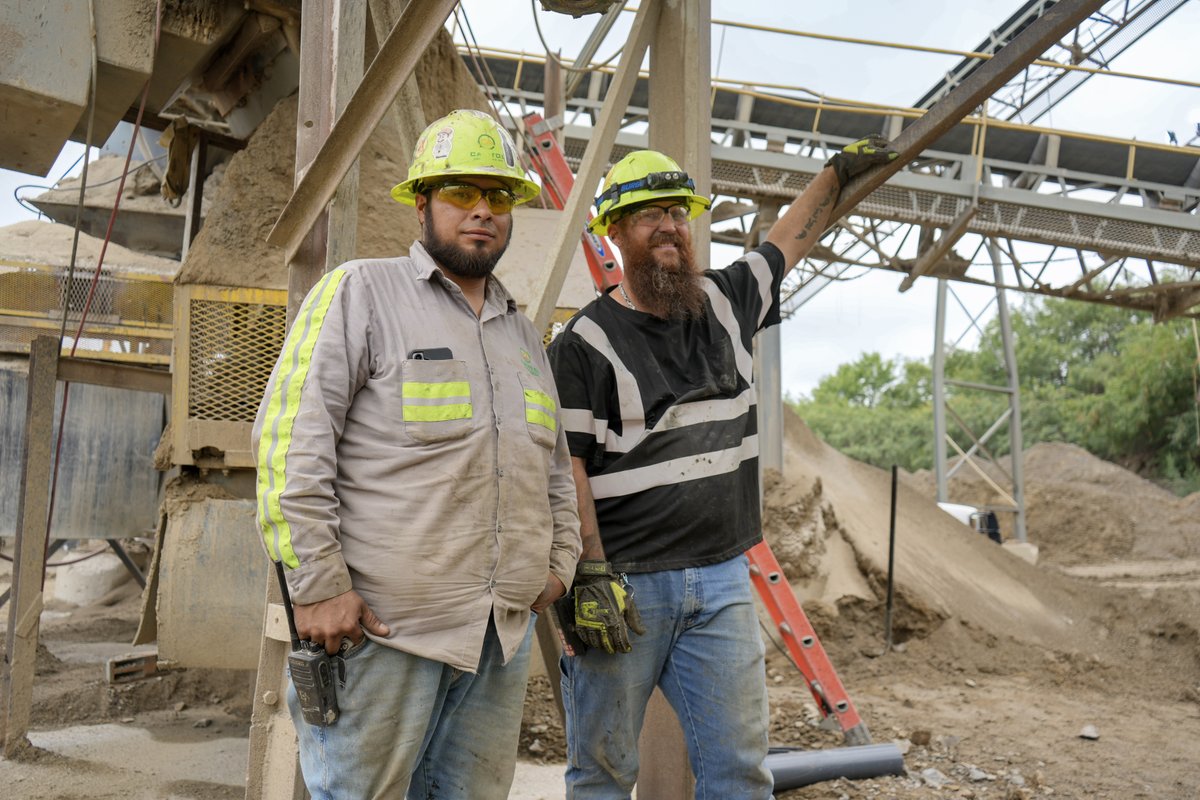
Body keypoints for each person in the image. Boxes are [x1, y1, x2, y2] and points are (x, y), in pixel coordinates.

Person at [547, 139, 896, 798]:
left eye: (678, 212)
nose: (670, 226)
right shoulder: (585, 343)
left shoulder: (730, 302)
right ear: (615, 232)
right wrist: (588, 570)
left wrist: (836, 173)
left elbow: (790, 238)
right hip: (626, 590)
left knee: (740, 771)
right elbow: (570, 468)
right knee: (601, 772)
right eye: (650, 215)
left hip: (722, 582)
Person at [253, 108, 582, 800]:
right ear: (422, 204)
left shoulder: (522, 335)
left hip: (496, 642)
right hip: (385, 639)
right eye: (461, 193)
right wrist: (316, 584)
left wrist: (558, 565)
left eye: (497, 197)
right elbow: (288, 445)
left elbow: (550, 467)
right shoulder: (359, 293)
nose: (482, 212)